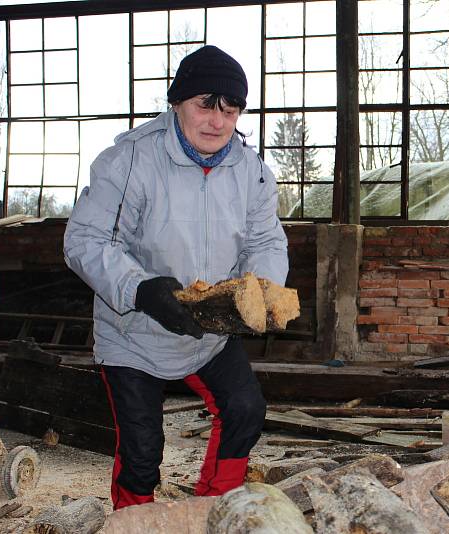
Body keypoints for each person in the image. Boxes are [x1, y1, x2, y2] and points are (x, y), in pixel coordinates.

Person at [64, 45, 288, 510]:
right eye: (205, 105)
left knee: (246, 409)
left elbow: (266, 242)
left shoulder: (252, 173)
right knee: (143, 450)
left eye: (231, 109)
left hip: (209, 331)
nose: (217, 121)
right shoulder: (129, 161)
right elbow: (85, 240)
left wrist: (262, 291)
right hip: (134, 331)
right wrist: (141, 289)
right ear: (177, 103)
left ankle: (215, 508)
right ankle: (134, 520)